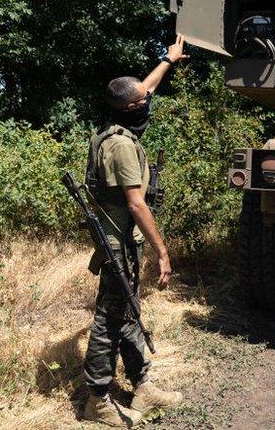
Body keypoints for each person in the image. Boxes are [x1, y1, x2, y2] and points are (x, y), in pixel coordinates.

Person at [80, 34, 188, 427]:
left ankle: (143, 385)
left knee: (128, 310)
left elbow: (147, 88)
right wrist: (163, 251)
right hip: (118, 241)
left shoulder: (120, 124)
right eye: (142, 101)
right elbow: (136, 203)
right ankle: (97, 398)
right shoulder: (122, 147)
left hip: (123, 240)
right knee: (109, 319)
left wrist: (168, 59)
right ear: (129, 109)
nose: (149, 101)